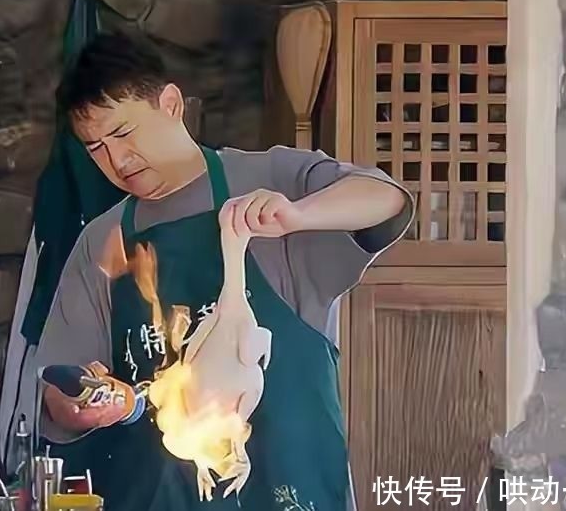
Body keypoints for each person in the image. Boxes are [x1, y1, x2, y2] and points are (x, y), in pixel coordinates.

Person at [34, 32, 413, 511]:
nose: (118, 160)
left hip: (286, 488)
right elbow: (57, 387)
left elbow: (387, 200)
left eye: (125, 133)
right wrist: (76, 408)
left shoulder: (272, 180)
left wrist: (299, 215)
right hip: (157, 496)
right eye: (96, 148)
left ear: (171, 104)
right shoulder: (102, 241)